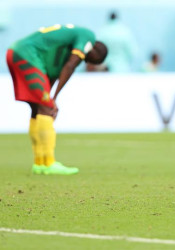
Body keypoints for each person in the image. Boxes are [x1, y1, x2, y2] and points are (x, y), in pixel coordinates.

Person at [6, 24, 107, 175]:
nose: (85, 61)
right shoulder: (87, 36)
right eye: (90, 59)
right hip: (26, 54)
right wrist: (53, 99)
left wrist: (51, 99)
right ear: (94, 49)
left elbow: (52, 78)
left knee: (38, 108)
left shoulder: (60, 51)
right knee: (46, 108)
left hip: (18, 52)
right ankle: (49, 163)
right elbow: (71, 65)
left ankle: (39, 163)